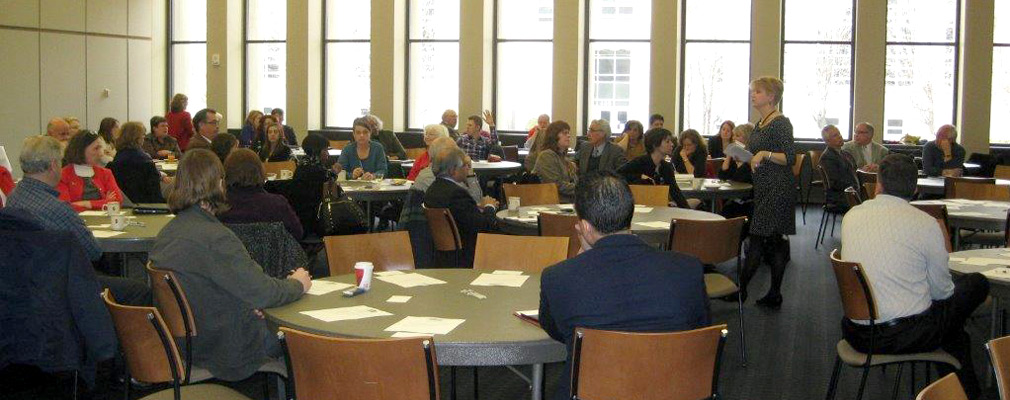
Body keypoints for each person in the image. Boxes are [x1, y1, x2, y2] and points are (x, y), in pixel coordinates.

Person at [538, 170, 711, 400]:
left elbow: (558, 331)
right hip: (672, 391)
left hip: (593, 392)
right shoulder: (688, 269)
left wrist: (583, 256)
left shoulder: (558, 278)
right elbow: (701, 329)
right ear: (631, 215)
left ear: (585, 227)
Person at [149, 148, 311, 382]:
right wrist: (298, 284)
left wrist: (248, 303)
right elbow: (264, 292)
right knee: (304, 332)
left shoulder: (168, 233)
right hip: (227, 346)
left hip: (186, 343)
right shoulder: (216, 238)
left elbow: (206, 288)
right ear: (219, 184)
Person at [840, 153, 989, 399]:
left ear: (879, 183)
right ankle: (965, 392)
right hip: (901, 335)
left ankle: (963, 392)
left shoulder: (851, 216)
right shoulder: (925, 224)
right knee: (975, 284)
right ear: (916, 188)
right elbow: (943, 292)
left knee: (954, 334)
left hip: (856, 331)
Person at [7, 136, 149, 306]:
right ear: (53, 165)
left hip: (24, 279)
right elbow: (93, 251)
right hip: (62, 282)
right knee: (139, 290)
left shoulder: (14, 197)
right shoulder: (57, 210)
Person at [738, 76, 796, 309]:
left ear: (771, 96)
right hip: (764, 186)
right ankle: (773, 292)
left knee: (760, 238)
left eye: (758, 92)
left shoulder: (781, 123)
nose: (753, 95)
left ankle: (741, 289)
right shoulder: (761, 122)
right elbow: (756, 153)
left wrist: (765, 154)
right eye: (753, 91)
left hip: (777, 187)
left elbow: (789, 157)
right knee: (772, 239)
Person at [423, 147, 499, 268]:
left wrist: (475, 208)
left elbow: (462, 216)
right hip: (467, 252)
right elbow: (484, 227)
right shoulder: (457, 194)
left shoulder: (433, 189)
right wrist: (490, 206)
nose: (468, 169)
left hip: (442, 254)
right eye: (465, 165)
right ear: (453, 170)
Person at [219, 149, 304, 240]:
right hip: (271, 253)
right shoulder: (277, 204)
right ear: (259, 170)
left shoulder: (217, 205)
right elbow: (297, 234)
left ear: (226, 172)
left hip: (230, 253)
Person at [617, 128, 692, 209]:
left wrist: (688, 212)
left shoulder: (666, 167)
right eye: (667, 141)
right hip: (637, 206)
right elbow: (616, 175)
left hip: (658, 205)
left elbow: (675, 192)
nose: (672, 144)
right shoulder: (640, 162)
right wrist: (639, 176)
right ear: (655, 145)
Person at [58, 130, 123, 212]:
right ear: (80, 150)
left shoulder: (106, 173)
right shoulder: (62, 175)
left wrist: (86, 203)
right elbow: (65, 207)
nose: (101, 153)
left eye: (100, 148)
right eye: (96, 148)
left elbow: (117, 202)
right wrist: (105, 202)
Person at [287, 133, 337, 237]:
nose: (327, 153)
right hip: (314, 221)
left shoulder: (301, 166)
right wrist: (334, 174)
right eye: (325, 150)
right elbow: (332, 195)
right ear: (317, 151)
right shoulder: (319, 171)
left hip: (299, 218)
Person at [107, 122, 167, 203]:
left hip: (123, 203)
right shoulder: (145, 161)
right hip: (148, 204)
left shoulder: (117, 158)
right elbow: (155, 193)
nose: (144, 137)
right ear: (137, 138)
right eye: (143, 135)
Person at [414, 136, 483, 203]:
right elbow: (476, 201)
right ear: (446, 156)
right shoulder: (449, 177)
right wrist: (470, 173)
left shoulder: (423, 174)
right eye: (455, 151)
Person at [533, 121, 578, 203]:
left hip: (567, 202)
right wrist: (583, 189)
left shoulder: (563, 158)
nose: (568, 135)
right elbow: (555, 185)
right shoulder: (546, 156)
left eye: (568, 133)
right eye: (565, 133)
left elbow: (573, 182)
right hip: (552, 203)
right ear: (554, 135)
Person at [819, 125, 858, 212]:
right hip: (840, 196)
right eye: (835, 135)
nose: (840, 137)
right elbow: (835, 182)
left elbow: (854, 170)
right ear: (827, 141)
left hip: (850, 191)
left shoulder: (845, 154)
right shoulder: (828, 157)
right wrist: (854, 187)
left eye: (839, 134)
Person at [719, 124, 754, 220]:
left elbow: (739, 180)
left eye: (738, 136)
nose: (734, 138)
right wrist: (729, 156)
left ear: (747, 138)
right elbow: (722, 176)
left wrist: (740, 164)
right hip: (732, 198)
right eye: (734, 135)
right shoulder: (735, 155)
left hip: (745, 200)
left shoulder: (752, 158)